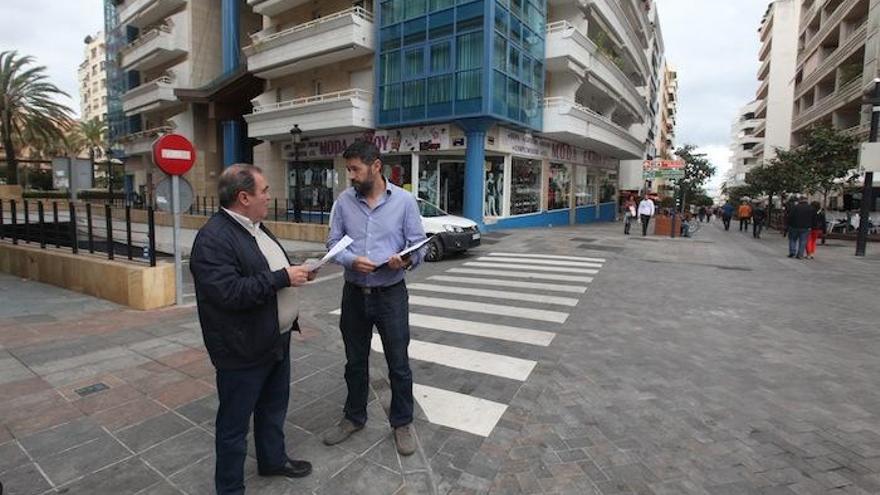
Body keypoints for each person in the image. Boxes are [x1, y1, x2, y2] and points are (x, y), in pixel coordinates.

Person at [189, 164, 316, 495]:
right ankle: (230, 488)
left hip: (275, 338)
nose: (269, 197)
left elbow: (271, 271)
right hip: (242, 348)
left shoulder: (257, 228)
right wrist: (282, 278)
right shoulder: (213, 238)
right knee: (233, 425)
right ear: (243, 197)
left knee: (274, 406)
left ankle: (272, 460)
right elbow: (228, 293)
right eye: (264, 191)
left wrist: (297, 273)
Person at [323, 140, 427, 456]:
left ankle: (402, 422)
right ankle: (354, 417)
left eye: (355, 169)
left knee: (398, 363)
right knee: (355, 361)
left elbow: (418, 246)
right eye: (348, 170)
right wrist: (350, 260)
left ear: (376, 166)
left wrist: (404, 260)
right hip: (354, 293)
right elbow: (332, 243)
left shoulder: (405, 202)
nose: (351, 176)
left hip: (391, 294)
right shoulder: (343, 202)